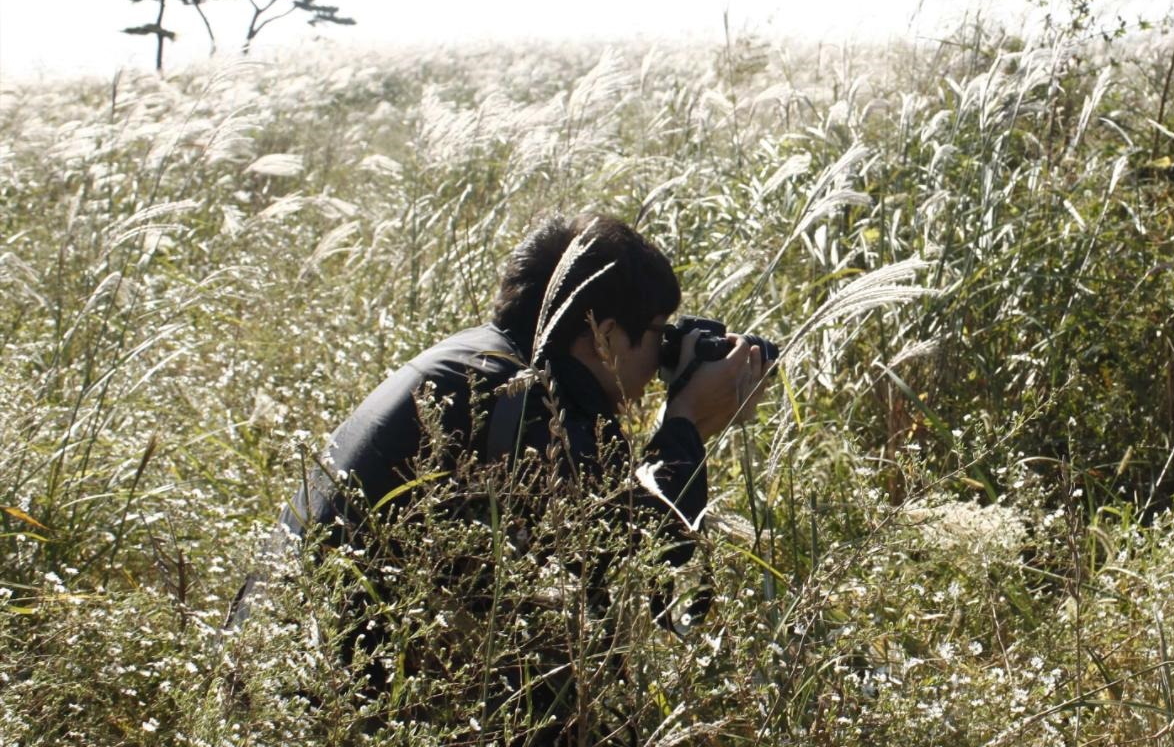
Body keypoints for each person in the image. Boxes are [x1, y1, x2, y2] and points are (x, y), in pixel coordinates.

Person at [233, 211, 771, 622]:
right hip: (321, 694)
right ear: (604, 335)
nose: (661, 356)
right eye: (658, 333)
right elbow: (636, 566)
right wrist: (688, 422)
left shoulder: (484, 365)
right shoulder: (516, 400)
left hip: (285, 649)